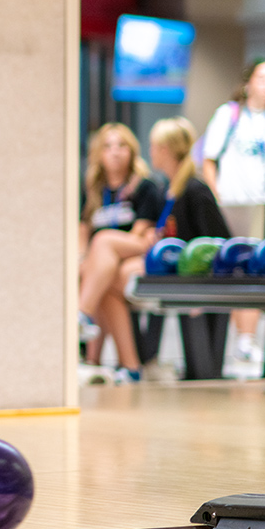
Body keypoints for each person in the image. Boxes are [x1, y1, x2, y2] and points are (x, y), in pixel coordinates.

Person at [201, 59, 265, 362]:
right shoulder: (229, 115)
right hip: (233, 205)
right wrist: (217, 195)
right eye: (262, 78)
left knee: (260, 271)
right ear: (248, 81)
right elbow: (208, 159)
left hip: (263, 204)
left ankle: (248, 339)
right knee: (236, 269)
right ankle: (242, 338)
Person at [76, 123, 163, 383]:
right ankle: (130, 367)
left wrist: (97, 256)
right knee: (104, 282)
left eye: (121, 146)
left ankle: (81, 319)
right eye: (108, 146)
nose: (115, 152)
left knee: (103, 242)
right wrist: (82, 259)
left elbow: (139, 235)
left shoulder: (144, 187)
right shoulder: (92, 189)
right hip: (106, 265)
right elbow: (81, 233)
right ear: (99, 154)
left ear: (132, 151)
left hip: (134, 252)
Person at [150, 117, 233, 377]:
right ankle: (146, 358)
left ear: (164, 150)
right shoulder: (168, 189)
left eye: (153, 146)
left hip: (201, 279)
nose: (150, 152)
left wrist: (201, 289)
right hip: (180, 274)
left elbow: (218, 241)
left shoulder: (195, 190)